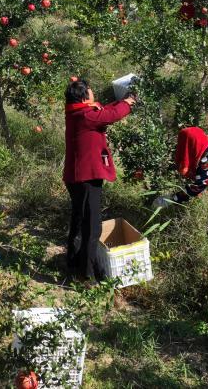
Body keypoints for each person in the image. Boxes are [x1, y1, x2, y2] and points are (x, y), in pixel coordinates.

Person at [62, 79, 136, 280]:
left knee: (79, 220)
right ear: (85, 96)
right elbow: (111, 115)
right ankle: (86, 276)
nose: (94, 95)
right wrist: (128, 103)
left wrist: (122, 101)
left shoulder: (77, 112)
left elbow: (103, 111)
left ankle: (74, 261)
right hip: (86, 179)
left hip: (76, 177)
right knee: (92, 227)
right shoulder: (86, 115)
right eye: (92, 92)